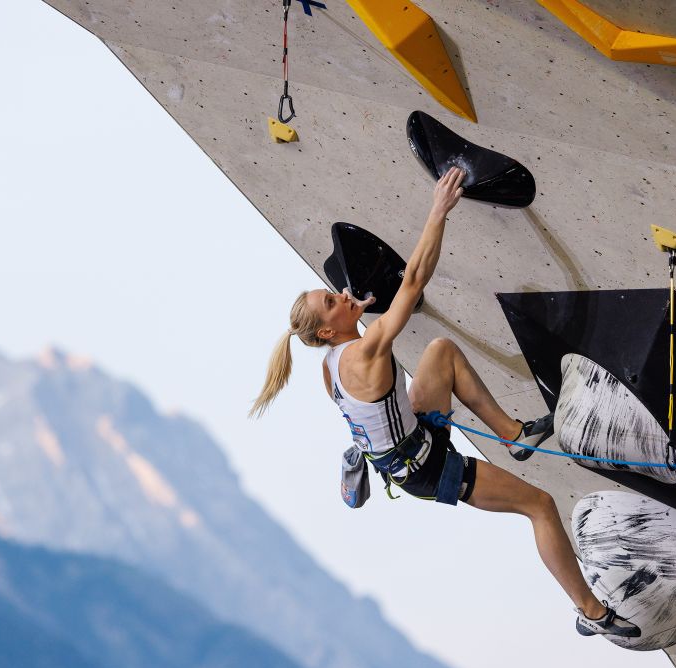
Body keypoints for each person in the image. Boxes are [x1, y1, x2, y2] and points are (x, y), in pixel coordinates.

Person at [249, 167, 640, 639]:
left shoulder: (330, 364)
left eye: (332, 292)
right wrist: (438, 212)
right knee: (540, 504)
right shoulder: (360, 353)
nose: (341, 294)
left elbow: (375, 407)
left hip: (410, 437)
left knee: (440, 353)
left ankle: (513, 436)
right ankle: (591, 612)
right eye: (332, 301)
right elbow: (412, 282)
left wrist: (362, 306)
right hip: (426, 468)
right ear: (328, 330)